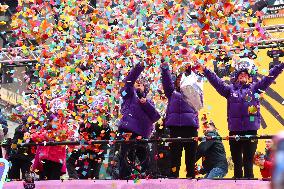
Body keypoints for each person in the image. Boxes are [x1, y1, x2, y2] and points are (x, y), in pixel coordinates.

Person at [197, 59, 284, 178]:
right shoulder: (230, 90)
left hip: (251, 131)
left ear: (249, 77)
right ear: (236, 77)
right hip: (235, 131)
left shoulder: (255, 89)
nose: (243, 76)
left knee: (248, 163)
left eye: (245, 75)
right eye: (240, 74)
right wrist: (206, 71)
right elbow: (217, 82)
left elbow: (269, 78)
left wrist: (281, 66)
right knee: (237, 163)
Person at [118, 62, 160, 179]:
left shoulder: (148, 100)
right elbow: (129, 82)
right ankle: (124, 178)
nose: (138, 85)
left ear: (145, 87)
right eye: (137, 83)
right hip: (128, 129)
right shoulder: (129, 94)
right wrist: (139, 67)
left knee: (144, 156)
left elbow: (155, 116)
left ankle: (148, 176)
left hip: (142, 132)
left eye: (141, 84)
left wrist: (145, 103)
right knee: (126, 155)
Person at [160, 60, 202, 178]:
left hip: (191, 129)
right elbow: (167, 82)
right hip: (175, 130)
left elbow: (195, 81)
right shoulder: (171, 93)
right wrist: (165, 68)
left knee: (190, 160)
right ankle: (174, 180)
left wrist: (189, 72)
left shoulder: (194, 92)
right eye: (178, 79)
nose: (180, 81)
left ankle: (191, 180)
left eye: (182, 79)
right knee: (175, 159)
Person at [32, 113, 67, 180]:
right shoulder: (44, 130)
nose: (57, 123)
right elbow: (34, 137)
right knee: (44, 180)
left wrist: (53, 137)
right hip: (45, 159)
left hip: (57, 160)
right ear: (50, 122)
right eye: (55, 121)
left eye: (58, 121)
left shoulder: (62, 130)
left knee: (54, 181)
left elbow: (64, 138)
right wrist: (45, 136)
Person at [8, 115, 35, 180]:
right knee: (14, 176)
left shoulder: (33, 130)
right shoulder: (20, 128)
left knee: (26, 176)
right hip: (17, 155)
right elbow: (14, 141)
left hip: (26, 157)